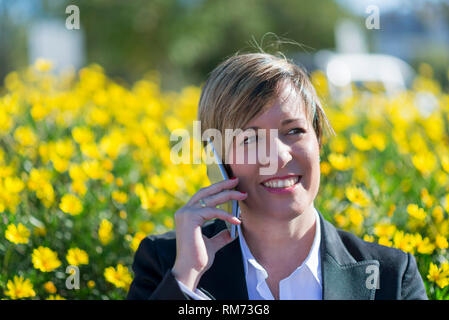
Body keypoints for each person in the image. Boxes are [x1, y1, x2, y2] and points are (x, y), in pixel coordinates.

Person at [127, 51, 428, 300]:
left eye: (294, 131)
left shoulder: (391, 277)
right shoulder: (167, 265)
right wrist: (186, 279)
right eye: (250, 139)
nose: (280, 157)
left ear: (318, 140)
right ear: (217, 159)